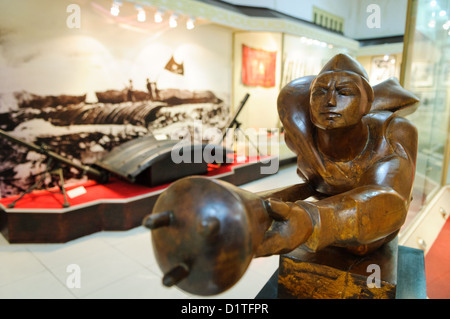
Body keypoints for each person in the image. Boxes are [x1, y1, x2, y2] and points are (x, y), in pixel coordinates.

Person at [254, 53, 419, 257]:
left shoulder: (390, 133)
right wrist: (260, 203)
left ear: (366, 104)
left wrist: (311, 220)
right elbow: (314, 186)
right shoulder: (301, 139)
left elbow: (389, 198)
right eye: (320, 92)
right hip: (330, 208)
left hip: (376, 218)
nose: (330, 101)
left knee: (360, 246)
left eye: (344, 92)